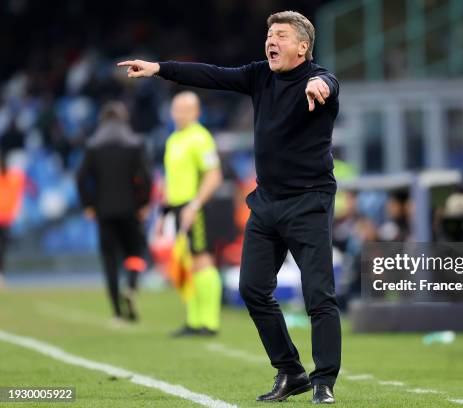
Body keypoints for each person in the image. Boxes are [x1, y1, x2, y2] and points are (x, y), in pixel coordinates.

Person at [119, 10, 341, 404]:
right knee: (252, 289)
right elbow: (212, 74)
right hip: (266, 202)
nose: (271, 40)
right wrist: (158, 68)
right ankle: (291, 371)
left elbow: (328, 82)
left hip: (309, 201)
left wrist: (318, 86)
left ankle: (324, 381)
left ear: (303, 48)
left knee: (318, 295)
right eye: (269, 34)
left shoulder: (318, 80)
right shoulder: (260, 75)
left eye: (282, 36)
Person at [77, 102, 151, 322]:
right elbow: (146, 178)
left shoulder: (93, 145)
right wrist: (143, 204)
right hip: (130, 210)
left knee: (110, 259)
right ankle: (131, 285)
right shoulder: (135, 144)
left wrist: (89, 205)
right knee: (135, 252)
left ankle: (117, 311)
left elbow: (81, 178)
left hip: (104, 211)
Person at [158, 91, 223, 337]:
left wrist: (194, 205)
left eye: (186, 109)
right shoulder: (174, 139)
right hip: (177, 207)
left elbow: (213, 175)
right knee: (187, 263)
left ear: (197, 112)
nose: (180, 114)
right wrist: (163, 214)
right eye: (176, 109)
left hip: (195, 207)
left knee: (202, 260)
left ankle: (209, 322)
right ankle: (194, 321)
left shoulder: (200, 138)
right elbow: (171, 180)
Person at [0, 149, 27, 289]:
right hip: (5, 217)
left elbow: (27, 186)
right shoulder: (14, 178)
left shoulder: (14, 177)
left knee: (3, 248)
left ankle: (1, 273)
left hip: (6, 218)